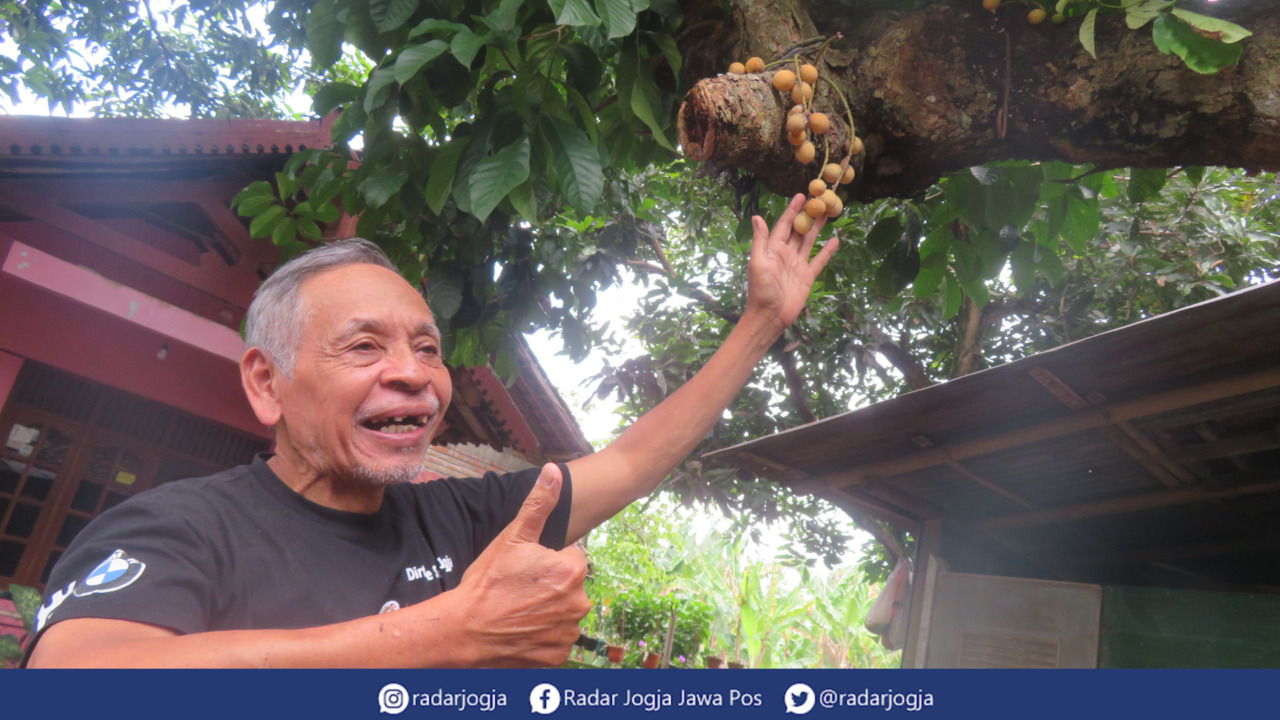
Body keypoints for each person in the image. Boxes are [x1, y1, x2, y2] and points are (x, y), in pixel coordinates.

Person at [26, 194, 837, 668]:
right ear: (267, 384)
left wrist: (760, 323)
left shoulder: (467, 520)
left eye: (427, 348)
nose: (414, 372)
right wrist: (442, 633)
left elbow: (630, 460)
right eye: (364, 346)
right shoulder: (182, 529)